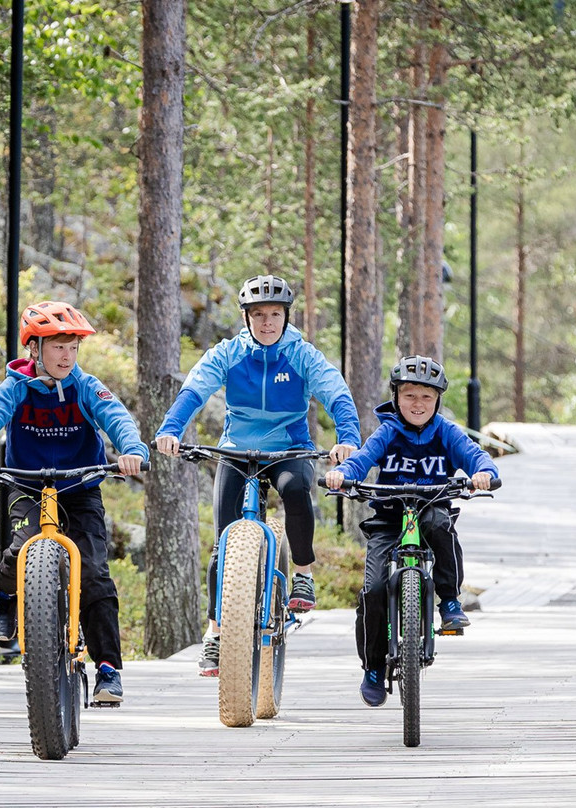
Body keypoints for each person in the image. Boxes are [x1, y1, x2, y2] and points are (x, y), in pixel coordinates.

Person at [154, 274, 360, 676]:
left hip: (289, 448)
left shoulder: (302, 354)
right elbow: (194, 390)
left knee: (297, 489)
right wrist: (171, 429)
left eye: (275, 315)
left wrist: (348, 436)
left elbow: (336, 393)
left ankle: (302, 572)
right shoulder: (228, 353)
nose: (267, 322)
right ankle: (215, 634)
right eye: (259, 315)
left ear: (286, 317)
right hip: (237, 449)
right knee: (222, 548)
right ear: (246, 318)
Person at [0, 301, 148, 704]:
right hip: (28, 486)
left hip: (79, 489)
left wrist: (130, 449)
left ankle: (108, 670)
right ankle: (6, 595)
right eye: (58, 346)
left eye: (72, 347)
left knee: (94, 572)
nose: (67, 355)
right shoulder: (14, 387)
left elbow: (116, 416)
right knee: (20, 548)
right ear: (34, 349)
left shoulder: (85, 386)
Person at [323, 355, 499, 707]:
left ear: (437, 401)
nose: (417, 404)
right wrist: (345, 474)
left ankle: (449, 599)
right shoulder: (388, 431)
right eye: (409, 396)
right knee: (372, 590)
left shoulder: (446, 432)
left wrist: (483, 473)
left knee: (440, 523)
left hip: (430, 508)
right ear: (396, 397)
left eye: (426, 397)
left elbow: (476, 456)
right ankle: (373, 667)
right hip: (389, 517)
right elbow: (362, 457)